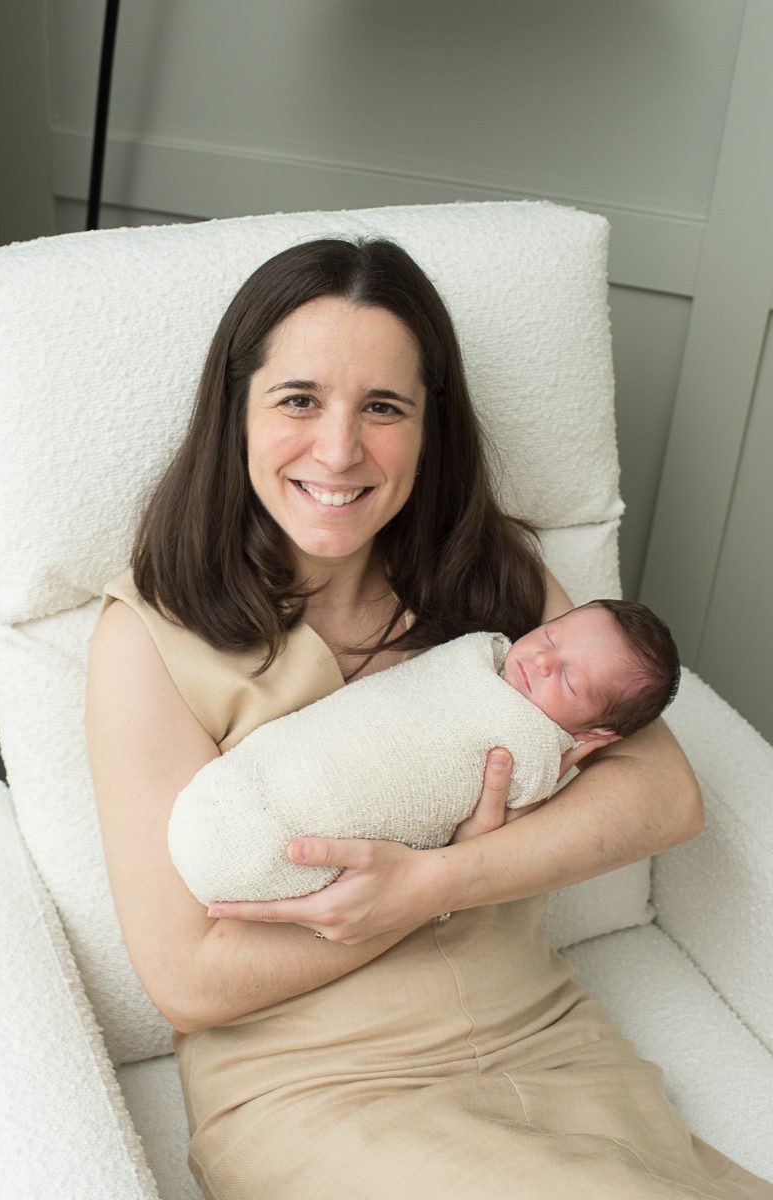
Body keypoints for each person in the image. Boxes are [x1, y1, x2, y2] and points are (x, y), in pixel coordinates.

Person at [85, 237, 772, 1195]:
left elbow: (664, 794)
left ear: (427, 427)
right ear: (233, 412)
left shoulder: (492, 576)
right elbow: (187, 980)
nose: (338, 449)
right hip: (319, 1085)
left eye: (383, 407)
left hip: (542, 1042)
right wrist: (412, 902)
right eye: (298, 400)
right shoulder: (150, 635)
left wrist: (436, 880)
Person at [169, 599, 682, 904]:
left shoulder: (532, 756)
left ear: (594, 736)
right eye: (550, 637)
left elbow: (674, 802)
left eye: (571, 681)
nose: (544, 661)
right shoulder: (477, 654)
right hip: (266, 772)